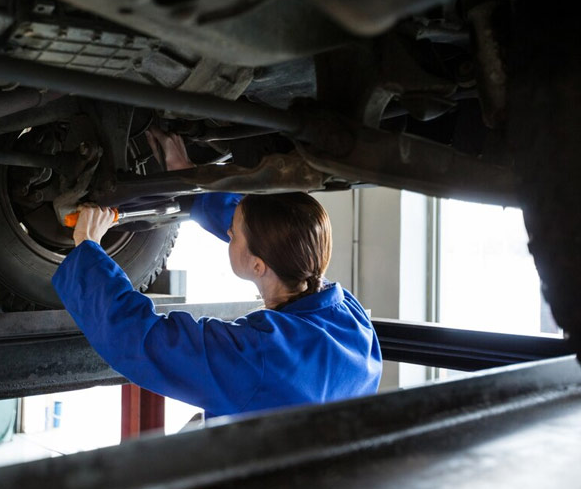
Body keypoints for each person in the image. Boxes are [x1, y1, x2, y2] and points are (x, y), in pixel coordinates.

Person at [52, 128, 382, 419]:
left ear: (258, 265)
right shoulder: (349, 317)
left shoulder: (257, 357)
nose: (228, 235)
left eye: (234, 235)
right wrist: (190, 178)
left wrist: (88, 248)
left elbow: (142, 340)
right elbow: (259, 227)